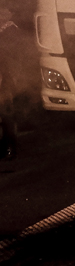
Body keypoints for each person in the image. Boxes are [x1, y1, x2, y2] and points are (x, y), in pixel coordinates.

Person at [0, 9, 16, 160]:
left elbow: (9, 58)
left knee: (6, 113)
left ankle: (9, 147)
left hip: (5, 79)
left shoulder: (10, 30)